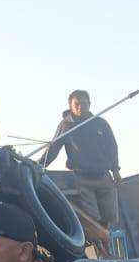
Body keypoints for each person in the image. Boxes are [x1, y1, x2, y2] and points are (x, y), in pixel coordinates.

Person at [43, 90, 121, 229]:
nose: (80, 107)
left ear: (89, 104)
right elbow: (54, 148)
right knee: (92, 217)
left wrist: (115, 169)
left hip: (103, 175)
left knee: (109, 213)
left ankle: (104, 244)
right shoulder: (65, 125)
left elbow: (112, 147)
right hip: (82, 178)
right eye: (77, 104)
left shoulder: (100, 123)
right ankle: (101, 248)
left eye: (84, 103)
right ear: (71, 106)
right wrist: (40, 164)